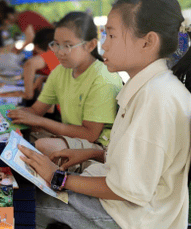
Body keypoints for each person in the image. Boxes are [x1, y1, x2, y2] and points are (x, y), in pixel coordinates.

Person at [18, 0, 191, 229]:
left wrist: (58, 177)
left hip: (130, 220)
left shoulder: (155, 97)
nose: (104, 45)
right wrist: (93, 153)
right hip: (138, 208)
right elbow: (140, 162)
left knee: (26, 204)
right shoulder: (153, 88)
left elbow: (129, 189)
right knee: (35, 186)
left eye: (111, 35)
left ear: (147, 41)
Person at [8, 11, 123, 154]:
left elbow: (90, 135)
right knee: (18, 137)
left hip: (101, 149)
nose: (59, 52)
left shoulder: (103, 79)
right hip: (74, 138)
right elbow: (36, 110)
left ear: (90, 45)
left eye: (67, 45)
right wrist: (10, 115)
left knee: (42, 145)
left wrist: (39, 121)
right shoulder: (60, 71)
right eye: (55, 44)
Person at [20, 27, 59, 102]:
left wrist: (27, 93)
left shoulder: (50, 54)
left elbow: (30, 64)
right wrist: (42, 78)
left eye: (37, 52)